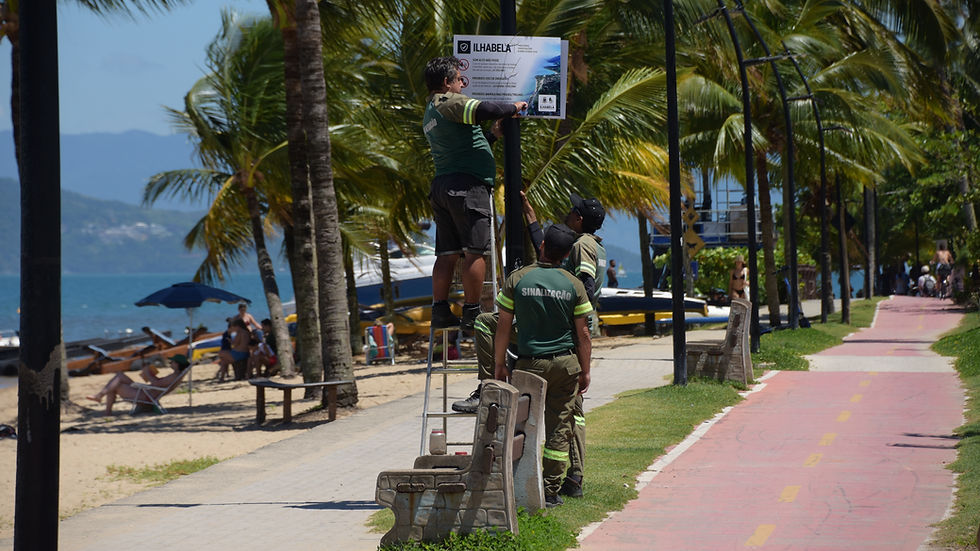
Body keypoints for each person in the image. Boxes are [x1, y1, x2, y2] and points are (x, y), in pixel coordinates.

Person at [422, 56, 528, 331]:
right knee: (475, 252)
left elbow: (463, 146)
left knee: (446, 254)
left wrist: (492, 136)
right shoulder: (449, 101)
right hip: (467, 187)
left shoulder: (431, 110)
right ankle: (472, 312)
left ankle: (440, 309)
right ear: (446, 83)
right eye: (459, 80)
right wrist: (514, 107)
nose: (462, 84)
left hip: (444, 185)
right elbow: (485, 108)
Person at [494, 223, 592, 508]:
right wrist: (585, 371)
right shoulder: (573, 284)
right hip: (565, 364)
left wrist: (500, 363)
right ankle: (550, 492)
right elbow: (583, 334)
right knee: (559, 427)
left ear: (542, 246)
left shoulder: (518, 279)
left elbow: (502, 326)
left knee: (522, 426)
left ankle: (517, 485)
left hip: (529, 366)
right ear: (565, 255)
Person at [86, 354, 190, 416]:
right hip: (148, 394)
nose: (170, 363)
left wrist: (147, 373)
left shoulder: (173, 376)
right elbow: (158, 383)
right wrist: (150, 373)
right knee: (118, 378)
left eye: (171, 362)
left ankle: (101, 400)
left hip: (146, 397)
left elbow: (155, 383)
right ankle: (102, 402)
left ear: (177, 364)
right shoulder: (175, 376)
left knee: (117, 381)